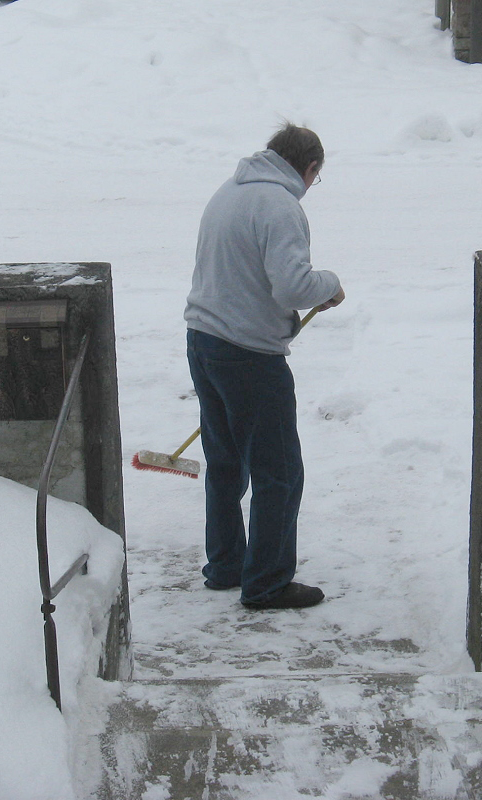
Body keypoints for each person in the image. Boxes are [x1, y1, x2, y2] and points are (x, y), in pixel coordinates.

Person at [184, 123, 345, 610]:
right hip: (249, 355)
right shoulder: (279, 205)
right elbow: (294, 286)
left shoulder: (229, 191)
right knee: (279, 471)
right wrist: (330, 284)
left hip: (204, 341)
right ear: (310, 168)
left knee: (226, 463)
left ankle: (227, 565)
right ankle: (267, 583)